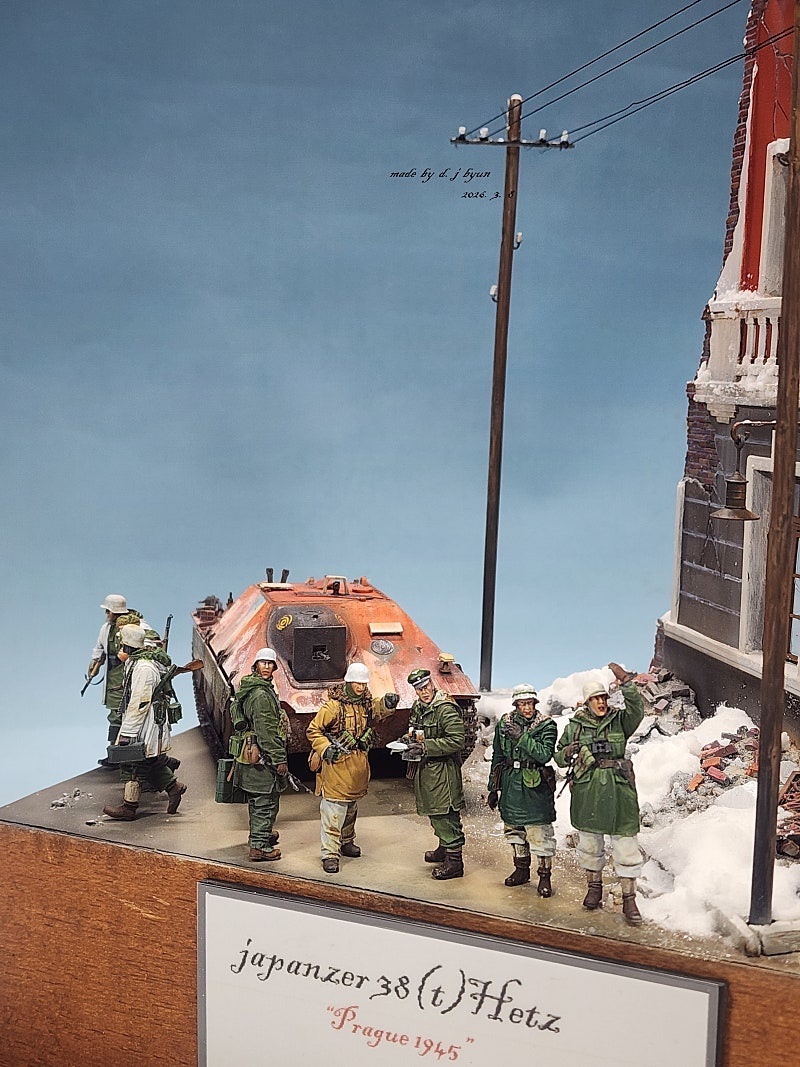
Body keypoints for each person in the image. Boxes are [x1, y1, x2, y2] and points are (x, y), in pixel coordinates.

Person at [553, 661, 645, 925]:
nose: (601, 703)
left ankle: (629, 899)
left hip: (618, 791)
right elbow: (558, 757)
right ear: (587, 702)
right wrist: (568, 752)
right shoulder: (575, 726)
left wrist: (626, 683)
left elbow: (637, 710)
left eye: (603, 697)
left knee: (626, 845)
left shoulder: (620, 721)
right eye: (595, 699)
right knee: (590, 845)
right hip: (589, 791)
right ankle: (594, 888)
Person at [307, 663, 398, 873]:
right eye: (357, 683)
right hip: (337, 765)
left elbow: (376, 710)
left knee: (350, 807)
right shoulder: (333, 707)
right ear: (348, 682)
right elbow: (313, 730)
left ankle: (346, 841)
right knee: (333, 810)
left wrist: (387, 703)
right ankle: (330, 853)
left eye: (363, 683)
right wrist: (325, 748)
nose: (360, 687)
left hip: (357, 765)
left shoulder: (365, 703)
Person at [102, 624, 186, 821]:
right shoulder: (137, 662)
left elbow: (140, 702)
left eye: (122, 644)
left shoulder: (143, 668)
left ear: (128, 646)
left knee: (133, 763)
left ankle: (129, 807)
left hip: (145, 722)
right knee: (149, 760)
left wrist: (127, 731)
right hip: (145, 720)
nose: (119, 648)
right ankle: (174, 788)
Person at [488, 683, 557, 895]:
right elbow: (498, 755)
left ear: (535, 703)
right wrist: (493, 788)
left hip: (535, 786)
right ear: (516, 705)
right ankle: (521, 870)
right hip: (511, 784)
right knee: (514, 830)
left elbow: (544, 754)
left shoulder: (546, 725)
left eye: (530, 703)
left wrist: (522, 737)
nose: (527, 708)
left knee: (539, 833)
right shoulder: (505, 723)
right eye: (522, 704)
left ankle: (544, 876)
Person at [405, 668, 466, 880]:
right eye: (419, 689)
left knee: (445, 813)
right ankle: (444, 847)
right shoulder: (419, 707)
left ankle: (455, 862)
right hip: (427, 769)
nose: (424, 692)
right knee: (434, 811)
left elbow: (457, 740)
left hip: (443, 771)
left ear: (432, 684)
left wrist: (426, 747)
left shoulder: (445, 709)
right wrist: (408, 740)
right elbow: (416, 729)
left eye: (426, 687)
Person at [230, 647, 289, 862]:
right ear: (255, 665)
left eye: (270, 663)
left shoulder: (252, 686)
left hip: (250, 753)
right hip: (262, 756)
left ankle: (261, 834)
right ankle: (259, 846)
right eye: (263, 663)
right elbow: (267, 731)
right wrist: (279, 759)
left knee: (258, 800)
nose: (267, 667)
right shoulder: (261, 695)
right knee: (266, 800)